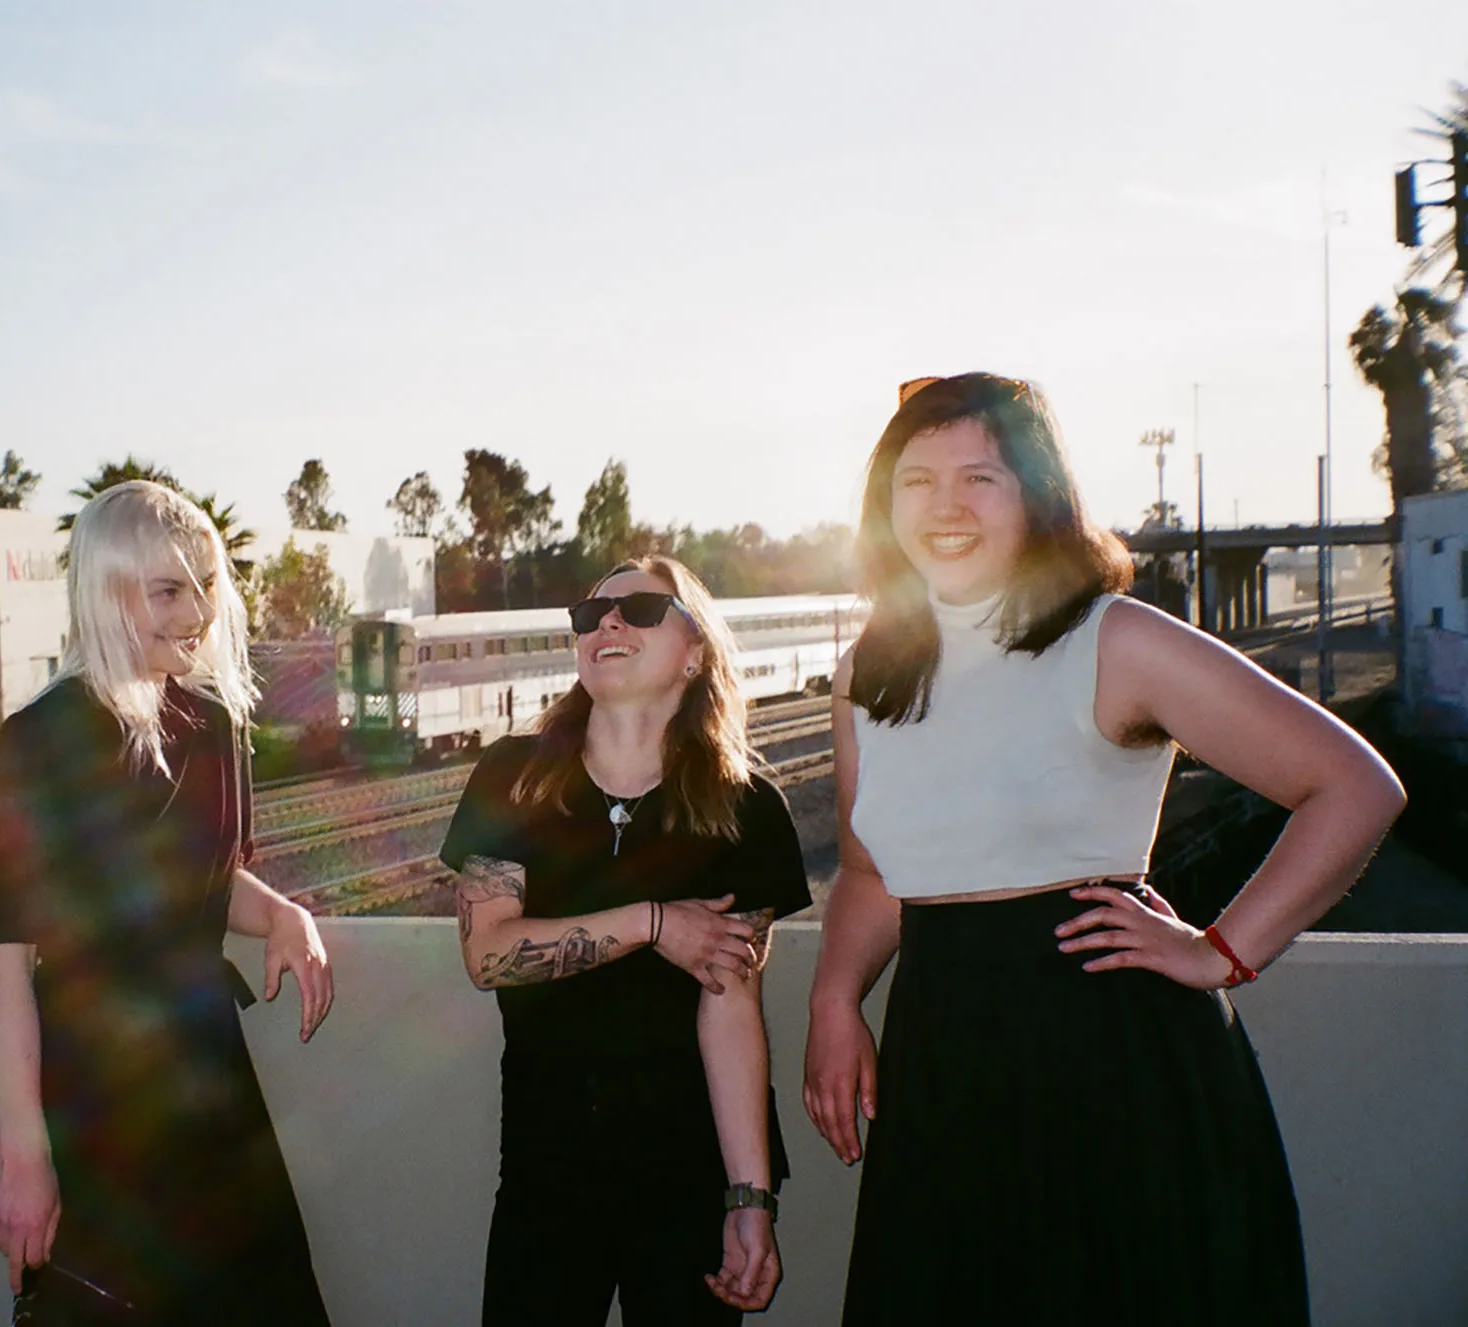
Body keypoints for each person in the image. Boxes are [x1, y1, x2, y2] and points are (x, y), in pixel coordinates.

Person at [803, 373, 1406, 1325]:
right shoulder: (867, 673)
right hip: (943, 1065)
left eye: (980, 478)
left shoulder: (1113, 638)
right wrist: (836, 1000)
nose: (945, 506)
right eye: (916, 480)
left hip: (1110, 1063)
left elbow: (1355, 787)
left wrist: (1220, 948)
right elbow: (875, 871)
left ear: (1038, 497)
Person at [0, 481, 335, 1326]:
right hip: (96, 1091)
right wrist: (25, 1159)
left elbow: (199, 885)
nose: (199, 610)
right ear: (105, 590)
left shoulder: (215, 722)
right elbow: (8, 963)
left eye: (206, 584)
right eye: (170, 588)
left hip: (209, 1073)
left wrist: (282, 912)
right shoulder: (39, 742)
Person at [439, 556, 813, 1326]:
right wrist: (655, 922)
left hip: (687, 1175)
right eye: (589, 614)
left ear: (695, 650)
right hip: (546, 1173)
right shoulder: (511, 775)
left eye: (640, 607)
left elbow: (732, 1005)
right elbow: (489, 954)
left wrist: (751, 1196)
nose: (605, 623)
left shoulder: (747, 810)